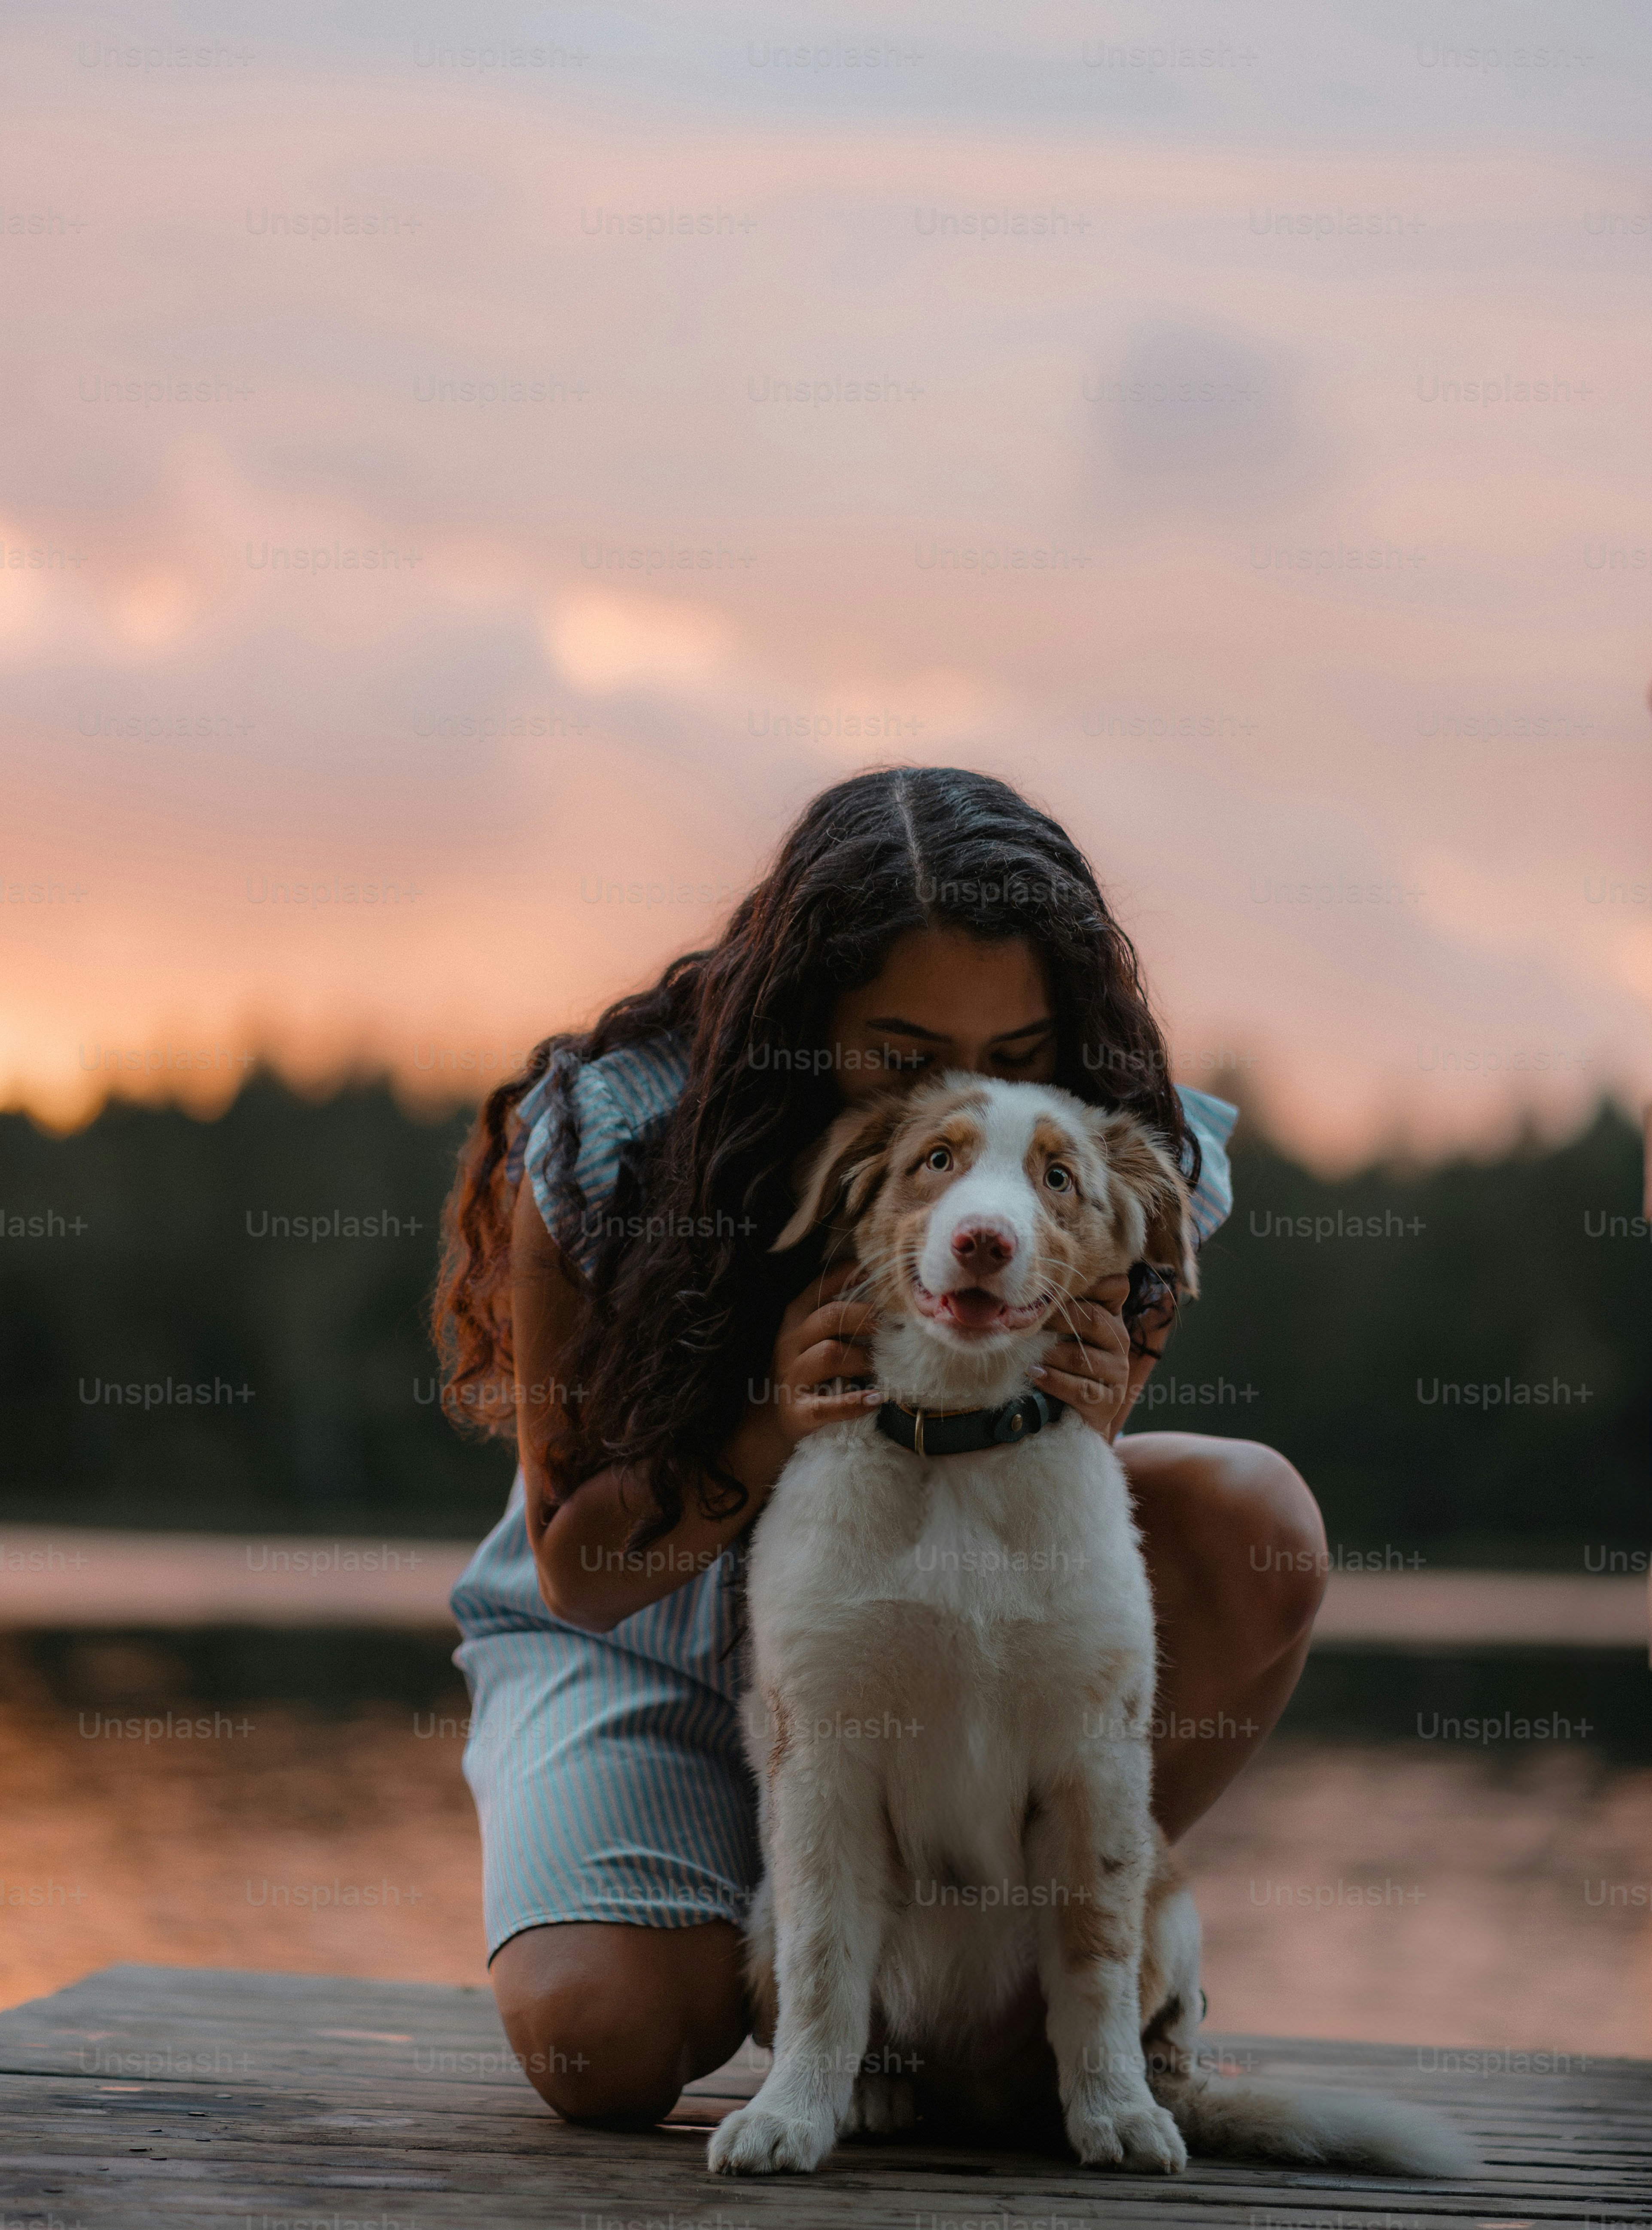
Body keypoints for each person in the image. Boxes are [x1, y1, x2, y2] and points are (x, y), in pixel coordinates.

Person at [433, 766, 1326, 2127]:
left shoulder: (1111, 1139)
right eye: (907, 1058)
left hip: (940, 1595)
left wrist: (1084, 1378)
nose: (967, 1090)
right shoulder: (608, 1131)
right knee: (595, 2044)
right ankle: (812, 1979)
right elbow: (580, 1570)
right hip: (642, 1629)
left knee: (1255, 1515)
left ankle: (1027, 1985)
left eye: (1013, 1056)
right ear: (802, 1018)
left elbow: (1066, 1481)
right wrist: (770, 1412)